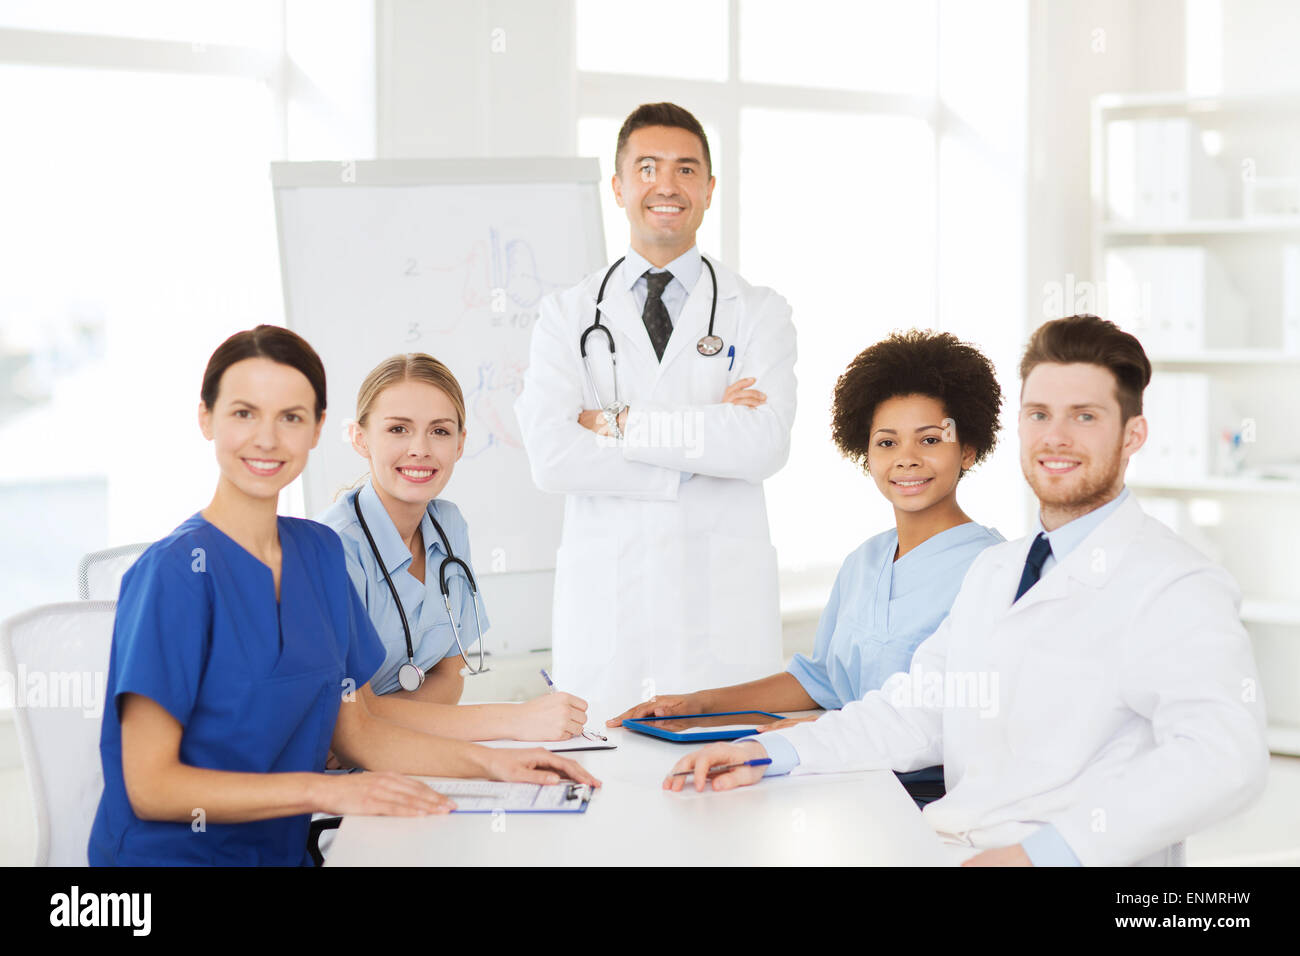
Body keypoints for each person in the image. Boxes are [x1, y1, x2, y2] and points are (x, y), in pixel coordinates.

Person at [664, 314, 1268, 868]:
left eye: (1084, 416)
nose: (1055, 437)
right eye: (1039, 414)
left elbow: (1223, 760)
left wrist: (1042, 856)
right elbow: (914, 710)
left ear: (1132, 435)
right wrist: (765, 755)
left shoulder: (1176, 583)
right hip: (948, 844)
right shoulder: (998, 572)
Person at [88, 325, 597, 866]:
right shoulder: (172, 573)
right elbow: (150, 786)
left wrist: (494, 765)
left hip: (283, 854)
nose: (267, 438)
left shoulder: (320, 554)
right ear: (205, 419)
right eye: (244, 413)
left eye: (291, 417)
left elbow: (361, 736)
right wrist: (326, 791)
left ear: (317, 430)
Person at [608, 330, 1005, 806]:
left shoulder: (993, 570)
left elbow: (938, 716)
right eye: (886, 442)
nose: (907, 459)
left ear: (968, 450)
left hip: (927, 797)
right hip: (833, 776)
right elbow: (821, 680)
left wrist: (789, 731)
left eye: (930, 439)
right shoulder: (865, 562)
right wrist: (696, 704)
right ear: (866, 454)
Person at [515, 102, 797, 707]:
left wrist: (615, 425)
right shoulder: (565, 316)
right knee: (608, 786)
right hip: (610, 616)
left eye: (686, 169)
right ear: (618, 188)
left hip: (721, 620)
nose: (666, 185)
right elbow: (553, 458)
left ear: (710, 189)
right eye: (646, 168)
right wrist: (705, 439)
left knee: (728, 786)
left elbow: (763, 444)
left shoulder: (760, 312)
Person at [318, 353, 589, 741]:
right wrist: (512, 720)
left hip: (408, 752)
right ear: (361, 438)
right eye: (398, 429)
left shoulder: (448, 527)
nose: (420, 449)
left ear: (461, 444)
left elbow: (449, 677)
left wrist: (380, 717)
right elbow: (346, 718)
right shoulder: (333, 547)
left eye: (440, 431)